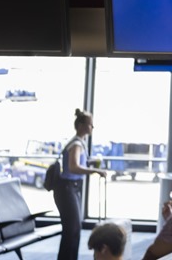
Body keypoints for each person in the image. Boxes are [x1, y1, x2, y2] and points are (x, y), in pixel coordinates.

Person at [54, 109, 107, 260]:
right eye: (90, 124)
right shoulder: (76, 144)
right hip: (67, 188)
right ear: (82, 125)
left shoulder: (79, 143)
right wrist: (94, 170)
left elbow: (77, 164)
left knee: (74, 229)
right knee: (72, 229)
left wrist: (90, 164)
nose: (92, 127)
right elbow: (73, 167)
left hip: (71, 188)